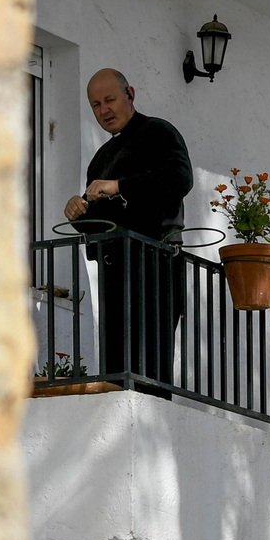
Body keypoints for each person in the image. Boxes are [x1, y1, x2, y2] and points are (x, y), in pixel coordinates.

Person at [63, 68, 192, 385]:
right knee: (115, 376)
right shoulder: (101, 157)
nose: (104, 110)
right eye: (96, 104)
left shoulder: (159, 132)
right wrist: (78, 214)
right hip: (116, 275)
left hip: (155, 268)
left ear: (130, 94)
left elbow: (180, 179)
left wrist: (119, 186)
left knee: (150, 374)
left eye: (110, 99)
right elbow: (100, 225)